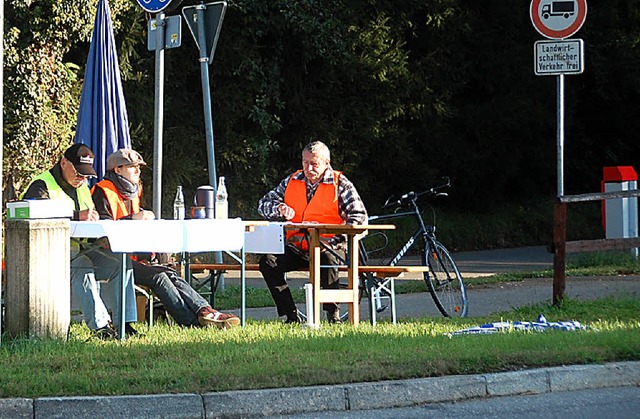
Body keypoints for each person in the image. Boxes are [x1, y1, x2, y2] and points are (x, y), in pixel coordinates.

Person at [91, 148, 240, 329]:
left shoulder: (133, 191)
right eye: (132, 167)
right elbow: (103, 231)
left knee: (169, 271)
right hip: (111, 258)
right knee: (160, 276)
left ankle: (206, 312)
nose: (138, 171)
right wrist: (132, 219)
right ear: (118, 170)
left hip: (133, 257)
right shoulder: (102, 191)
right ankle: (193, 324)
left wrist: (148, 256)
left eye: (139, 167)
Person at [22, 144, 138, 339]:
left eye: (86, 175)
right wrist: (76, 215)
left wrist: (100, 236)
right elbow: (35, 216)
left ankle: (125, 324)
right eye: (78, 172)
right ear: (64, 163)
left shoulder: (82, 187)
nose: (82, 178)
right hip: (48, 255)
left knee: (120, 262)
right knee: (81, 264)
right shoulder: (41, 185)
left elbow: (89, 218)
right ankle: (101, 327)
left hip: (81, 248)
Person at [257, 141, 368, 323]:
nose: (309, 168)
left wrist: (333, 241)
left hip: (330, 246)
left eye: (314, 163)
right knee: (268, 262)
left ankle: (333, 315)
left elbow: (360, 218)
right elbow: (263, 204)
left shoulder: (341, 184)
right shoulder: (292, 180)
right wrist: (279, 208)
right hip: (298, 247)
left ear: (327, 162)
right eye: (305, 162)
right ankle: (291, 315)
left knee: (327, 259)